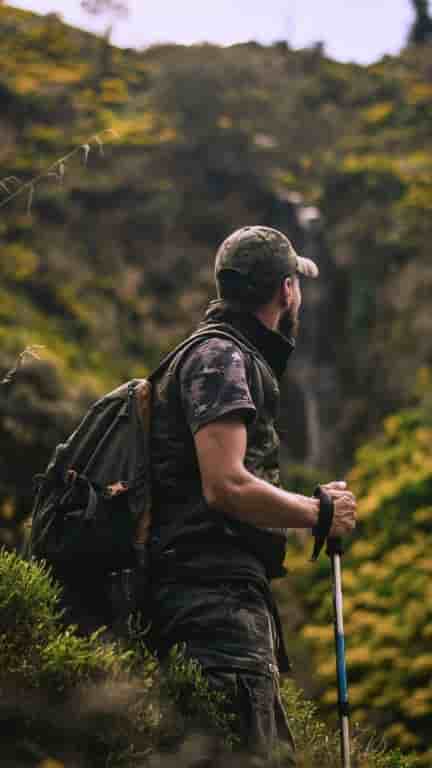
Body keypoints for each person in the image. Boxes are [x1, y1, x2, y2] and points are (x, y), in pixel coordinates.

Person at [147, 225, 357, 765]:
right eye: (297, 286)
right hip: (213, 610)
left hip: (212, 604)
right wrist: (318, 513)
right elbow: (226, 485)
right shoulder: (223, 359)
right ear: (288, 290)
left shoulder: (216, 354)